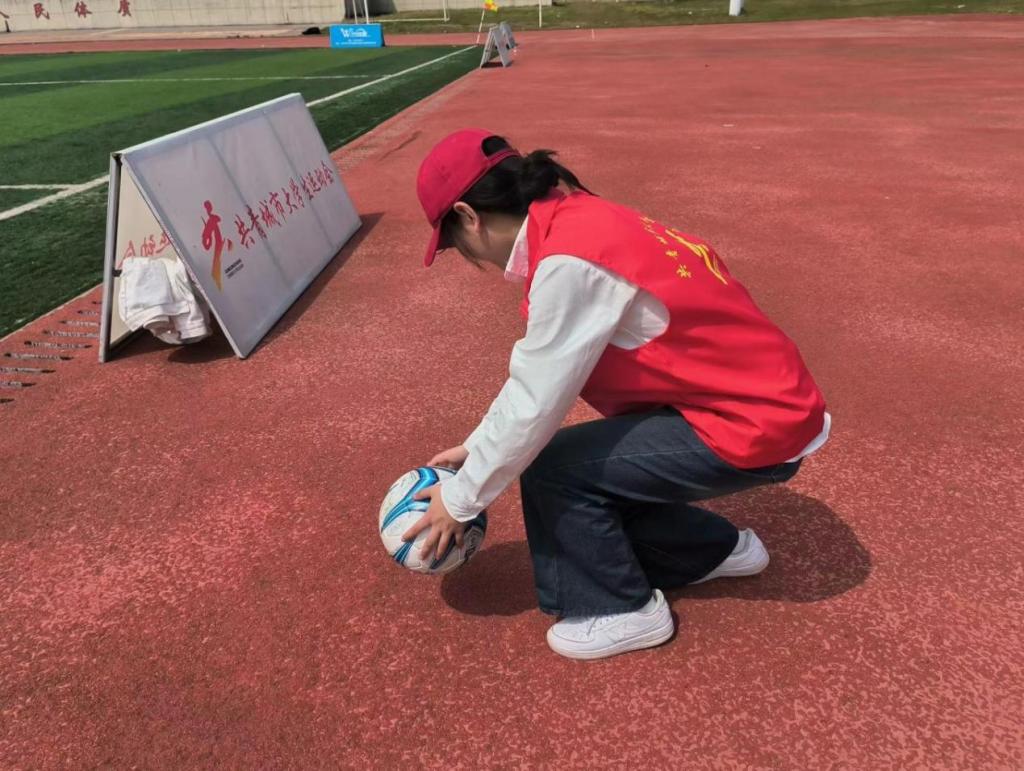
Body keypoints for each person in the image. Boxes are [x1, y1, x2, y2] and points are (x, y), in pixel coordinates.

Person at [402, 129, 830, 661]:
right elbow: (537, 375)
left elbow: (537, 404)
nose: (465, 256)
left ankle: (620, 609)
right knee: (599, 460)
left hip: (754, 423)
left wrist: (462, 499)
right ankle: (718, 551)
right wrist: (478, 444)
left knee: (553, 468)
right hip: (762, 405)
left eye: (452, 243)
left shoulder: (569, 262)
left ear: (468, 216)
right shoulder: (579, 216)